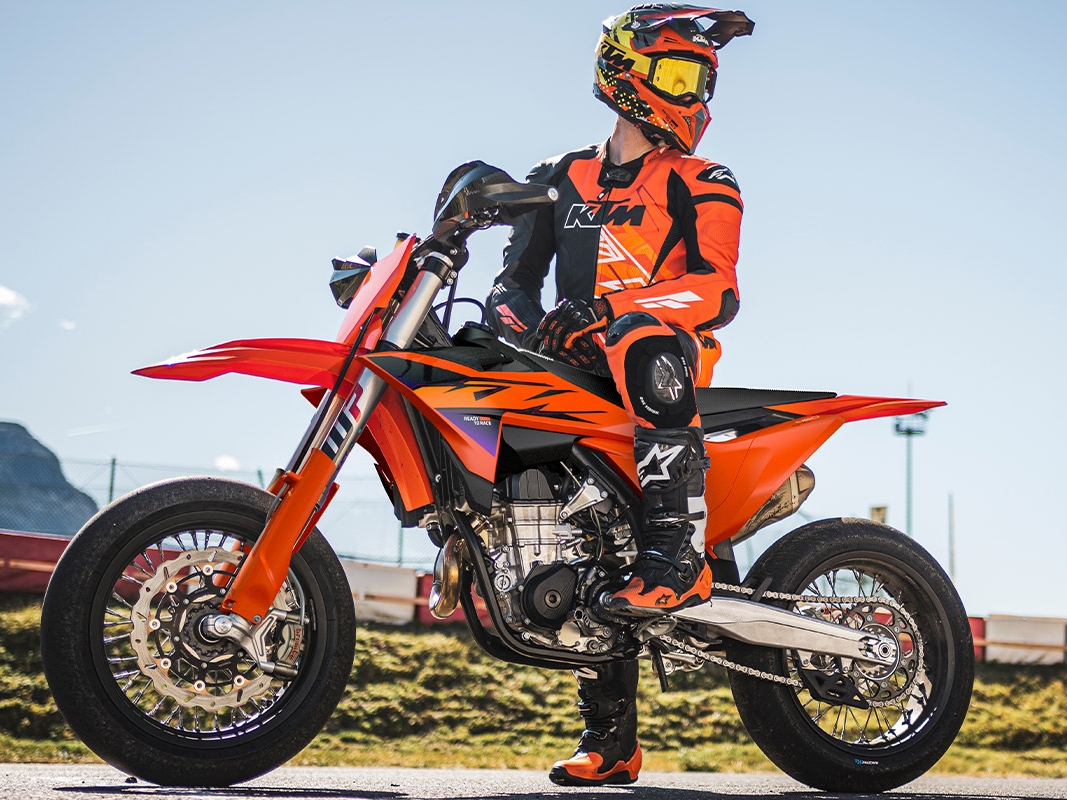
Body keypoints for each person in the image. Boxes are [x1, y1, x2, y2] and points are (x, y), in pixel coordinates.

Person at [484, 3, 754, 787]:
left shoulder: (705, 179)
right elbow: (513, 284)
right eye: (677, 73)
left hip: (664, 358)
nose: (691, 92)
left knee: (637, 332)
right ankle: (609, 742)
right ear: (622, 68)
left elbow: (717, 290)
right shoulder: (557, 177)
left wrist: (609, 312)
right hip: (575, 371)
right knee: (568, 532)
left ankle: (678, 551)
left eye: (699, 79)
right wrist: (524, 328)